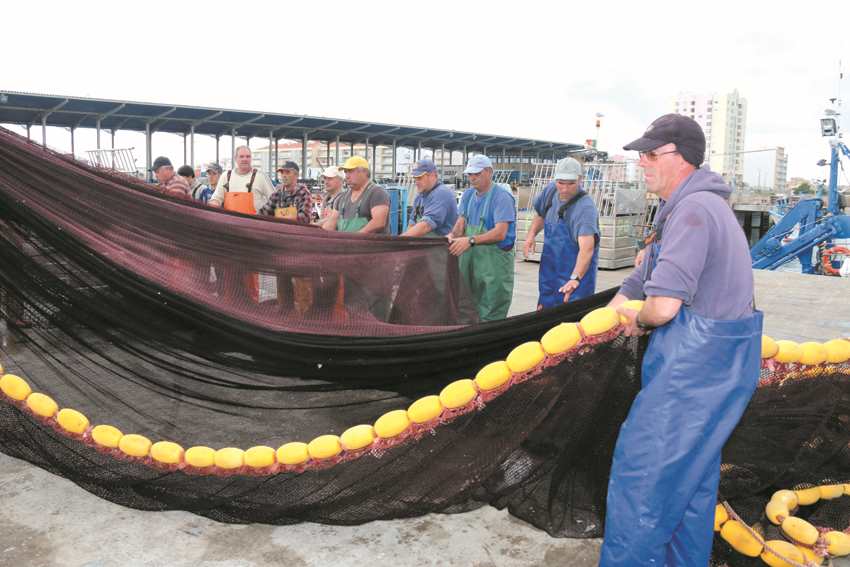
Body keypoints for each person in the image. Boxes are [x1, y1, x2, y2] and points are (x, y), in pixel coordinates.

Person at [599, 114, 763, 566]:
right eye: (640, 155)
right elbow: (642, 279)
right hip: (717, 370)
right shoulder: (689, 207)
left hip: (694, 374)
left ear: (682, 159)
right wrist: (606, 316)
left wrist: (640, 319)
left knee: (644, 479)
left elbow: (663, 306)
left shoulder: (693, 210)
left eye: (651, 154)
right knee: (689, 486)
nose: (641, 163)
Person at [523, 157, 599, 309]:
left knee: (570, 323)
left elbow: (587, 250)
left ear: (580, 180)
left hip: (574, 278)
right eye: (560, 182)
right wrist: (531, 235)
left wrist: (575, 278)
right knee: (544, 317)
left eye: (571, 183)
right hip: (549, 272)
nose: (564, 188)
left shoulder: (585, 209)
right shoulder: (551, 191)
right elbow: (540, 214)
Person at [448, 155, 516, 322]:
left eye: (476, 174)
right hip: (471, 262)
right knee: (467, 304)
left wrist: (470, 240)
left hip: (494, 264)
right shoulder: (468, 195)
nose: (472, 178)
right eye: (469, 174)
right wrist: (451, 235)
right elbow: (461, 223)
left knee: (491, 307)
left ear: (489, 172)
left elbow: (500, 233)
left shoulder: (502, 197)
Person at [324, 156, 389, 233]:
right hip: (347, 243)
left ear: (364, 172)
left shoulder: (377, 193)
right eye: (345, 172)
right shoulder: (342, 198)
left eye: (350, 171)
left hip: (371, 244)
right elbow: (331, 223)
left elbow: (379, 222)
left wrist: (353, 239)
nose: (347, 176)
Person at [207, 146, 275, 215]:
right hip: (230, 223)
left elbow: (274, 199)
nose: (245, 159)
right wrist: (212, 208)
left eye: (248, 156)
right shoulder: (226, 176)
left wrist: (263, 213)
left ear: (251, 159)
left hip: (254, 223)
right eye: (241, 156)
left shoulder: (261, 177)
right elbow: (216, 198)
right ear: (235, 159)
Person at [401, 159, 458, 237]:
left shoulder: (442, 193)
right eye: (415, 178)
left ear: (433, 175)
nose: (416, 182)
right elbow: (412, 224)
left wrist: (400, 241)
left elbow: (425, 226)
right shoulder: (419, 196)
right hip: (425, 246)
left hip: (442, 246)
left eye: (420, 178)